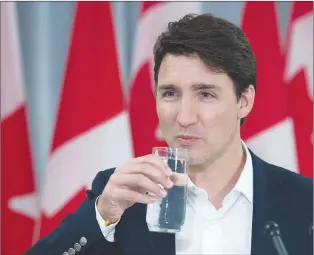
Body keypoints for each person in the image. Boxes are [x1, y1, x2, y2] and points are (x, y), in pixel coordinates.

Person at [25, 13, 313, 255]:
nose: (184, 117)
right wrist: (102, 214)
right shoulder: (123, 197)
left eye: (205, 94)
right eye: (170, 93)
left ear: (244, 101)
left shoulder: (305, 203)